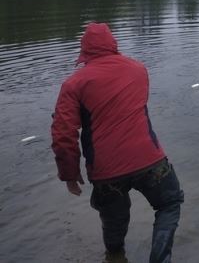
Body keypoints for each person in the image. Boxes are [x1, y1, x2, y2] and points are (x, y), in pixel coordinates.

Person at [51, 22, 184, 263]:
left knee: (114, 227)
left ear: (85, 51)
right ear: (113, 44)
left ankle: (115, 256)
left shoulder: (73, 85)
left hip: (106, 173)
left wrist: (69, 174)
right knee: (169, 203)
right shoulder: (139, 69)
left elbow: (63, 134)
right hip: (150, 161)